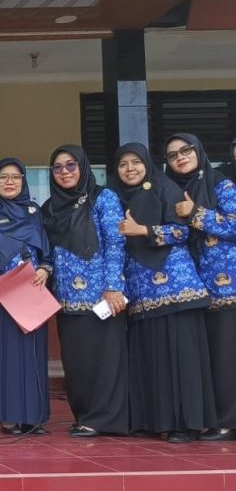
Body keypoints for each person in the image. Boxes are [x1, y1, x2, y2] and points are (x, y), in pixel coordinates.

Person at [114, 143, 214, 443]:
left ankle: (186, 424)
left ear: (147, 164)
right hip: (142, 293)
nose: (130, 169)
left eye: (136, 162)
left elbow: (183, 231)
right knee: (152, 357)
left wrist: (143, 230)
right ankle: (153, 421)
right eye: (123, 164)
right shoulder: (117, 197)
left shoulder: (165, 188)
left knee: (180, 358)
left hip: (176, 288)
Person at [42, 145, 128, 438]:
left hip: (101, 297)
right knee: (77, 363)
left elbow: (115, 243)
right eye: (57, 167)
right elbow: (48, 253)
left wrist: (113, 287)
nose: (64, 172)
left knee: (104, 360)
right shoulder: (50, 207)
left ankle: (104, 419)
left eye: (71, 165)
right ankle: (84, 416)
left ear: (83, 166)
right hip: (67, 300)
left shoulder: (103, 198)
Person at [164, 133, 236, 441]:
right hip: (192, 289)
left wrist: (195, 213)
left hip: (227, 286)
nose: (180, 157)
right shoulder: (170, 189)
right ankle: (213, 419)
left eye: (186, 150)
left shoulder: (220, 183)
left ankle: (228, 422)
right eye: (172, 155)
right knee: (208, 359)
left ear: (199, 151)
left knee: (226, 356)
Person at [0, 158, 52, 435]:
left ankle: (33, 417)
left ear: (23, 181)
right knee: (3, 357)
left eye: (16, 177)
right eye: (4, 177)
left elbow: (46, 248)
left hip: (30, 291)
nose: (10, 182)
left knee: (32, 358)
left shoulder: (34, 212)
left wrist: (45, 268)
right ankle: (7, 416)